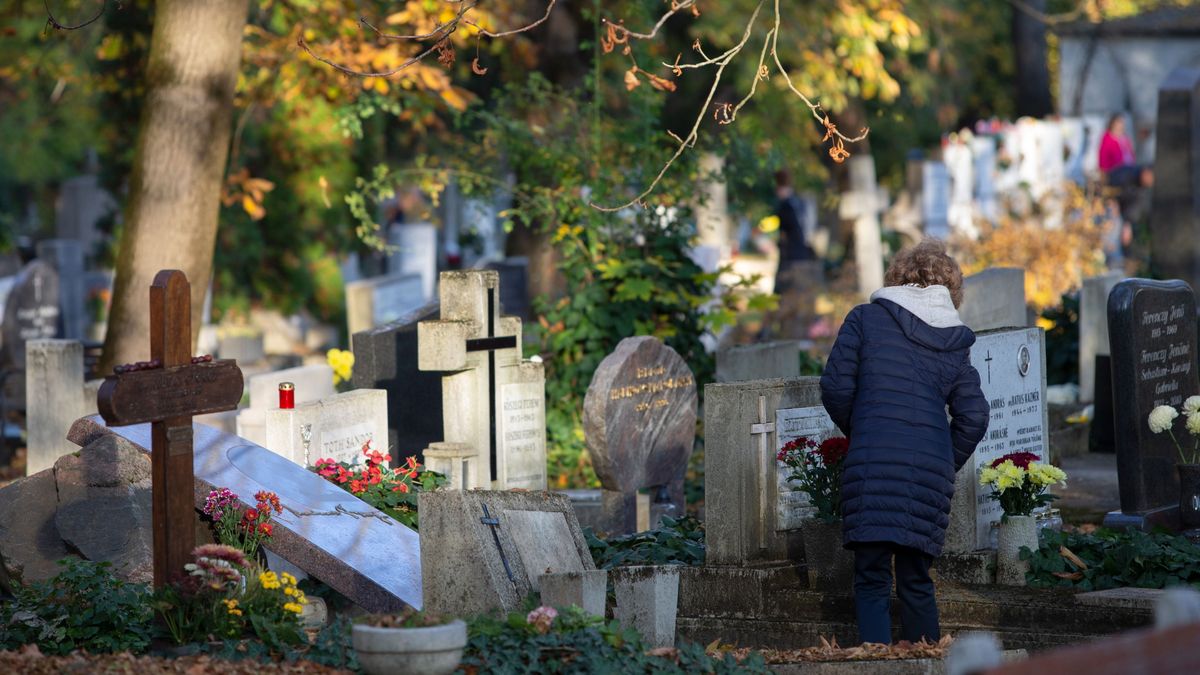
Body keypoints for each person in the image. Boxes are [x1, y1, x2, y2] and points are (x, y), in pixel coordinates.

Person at [819, 239, 989, 645]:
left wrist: (865, 432)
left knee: (871, 579)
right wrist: (943, 459)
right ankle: (926, 663)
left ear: (898, 276)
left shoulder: (864, 319)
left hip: (873, 463)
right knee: (916, 580)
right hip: (928, 472)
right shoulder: (954, 340)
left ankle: (875, 664)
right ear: (951, 289)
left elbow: (836, 387)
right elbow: (974, 416)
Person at [772, 169, 816, 295]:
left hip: (791, 251)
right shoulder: (797, 202)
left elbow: (786, 230)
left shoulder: (786, 205)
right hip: (799, 249)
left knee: (788, 284)